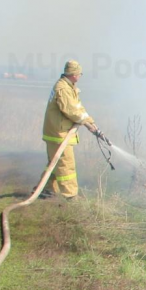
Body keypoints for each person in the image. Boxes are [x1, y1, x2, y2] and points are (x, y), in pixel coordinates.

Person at [41, 60, 101, 200]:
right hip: (59, 134)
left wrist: (91, 123)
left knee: (54, 164)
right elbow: (72, 111)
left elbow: (78, 108)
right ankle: (71, 196)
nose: (80, 76)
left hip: (58, 132)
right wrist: (86, 124)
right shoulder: (63, 89)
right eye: (79, 74)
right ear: (74, 74)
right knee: (66, 165)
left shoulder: (69, 87)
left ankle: (47, 189)